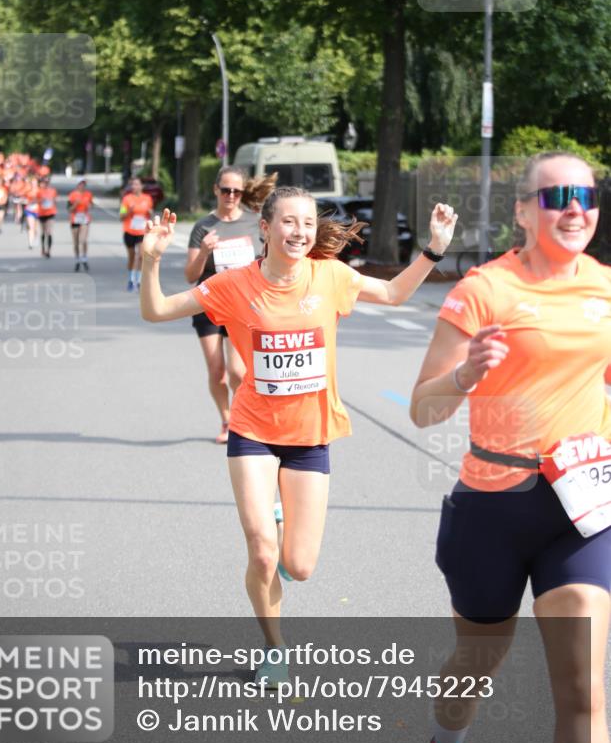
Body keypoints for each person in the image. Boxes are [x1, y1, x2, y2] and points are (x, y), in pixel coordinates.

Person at [141, 186, 456, 685]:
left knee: (300, 566)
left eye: (307, 224)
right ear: (264, 228)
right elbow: (156, 310)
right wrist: (150, 259)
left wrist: (435, 247)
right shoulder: (232, 284)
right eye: (288, 222)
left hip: (310, 435)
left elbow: (395, 294)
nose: (300, 232)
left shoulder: (329, 276)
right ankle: (274, 647)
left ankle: (282, 540)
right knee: (262, 550)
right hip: (253, 432)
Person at [410, 152, 610, 743]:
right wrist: (466, 374)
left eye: (586, 193)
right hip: (493, 506)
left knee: (583, 689)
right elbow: (422, 408)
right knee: (479, 660)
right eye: (556, 196)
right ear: (523, 212)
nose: (574, 206)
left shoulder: (606, 288)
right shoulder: (484, 290)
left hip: (580, 507)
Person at [185, 166, 274, 443]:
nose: (232, 196)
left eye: (237, 191)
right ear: (216, 190)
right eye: (226, 190)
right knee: (217, 371)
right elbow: (190, 275)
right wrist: (203, 252)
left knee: (238, 371)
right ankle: (227, 420)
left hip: (243, 307)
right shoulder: (203, 226)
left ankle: (241, 416)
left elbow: (270, 259)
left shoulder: (255, 222)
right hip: (210, 305)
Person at [120, 177, 153, 291]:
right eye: (133, 185)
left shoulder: (147, 198)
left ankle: (138, 281)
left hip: (141, 232)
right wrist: (129, 211)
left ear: (142, 186)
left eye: (137, 184)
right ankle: (130, 279)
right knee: (132, 257)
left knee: (140, 256)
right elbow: (121, 216)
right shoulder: (126, 199)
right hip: (129, 231)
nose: (134, 187)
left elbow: (150, 214)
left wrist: (150, 213)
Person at [67, 179, 95, 272]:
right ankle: (77, 259)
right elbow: (69, 209)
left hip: (85, 219)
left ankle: (84, 258)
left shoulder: (88, 194)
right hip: (74, 219)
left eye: (84, 184)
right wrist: (75, 204)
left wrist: (90, 206)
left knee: (83, 240)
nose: (82, 186)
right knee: (76, 242)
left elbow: (91, 204)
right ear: (77, 185)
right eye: (80, 184)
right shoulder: (72, 195)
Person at [36, 175, 58, 258]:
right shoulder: (39, 191)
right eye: (44, 182)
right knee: (43, 232)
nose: (46, 184)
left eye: (47, 182)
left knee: (49, 232)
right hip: (41, 213)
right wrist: (41, 200)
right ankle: (42, 248)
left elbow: (55, 201)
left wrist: (52, 203)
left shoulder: (53, 191)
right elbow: (36, 200)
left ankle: (48, 250)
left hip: (51, 213)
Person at [23, 175, 40, 250]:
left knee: (36, 228)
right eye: (32, 183)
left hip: (38, 210)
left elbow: (43, 200)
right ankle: (30, 243)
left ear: (37, 183)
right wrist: (27, 201)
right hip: (29, 210)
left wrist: (36, 201)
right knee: (30, 227)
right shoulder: (27, 191)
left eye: (35, 182)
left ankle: (36, 237)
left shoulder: (40, 191)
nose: (33, 184)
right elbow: (24, 200)